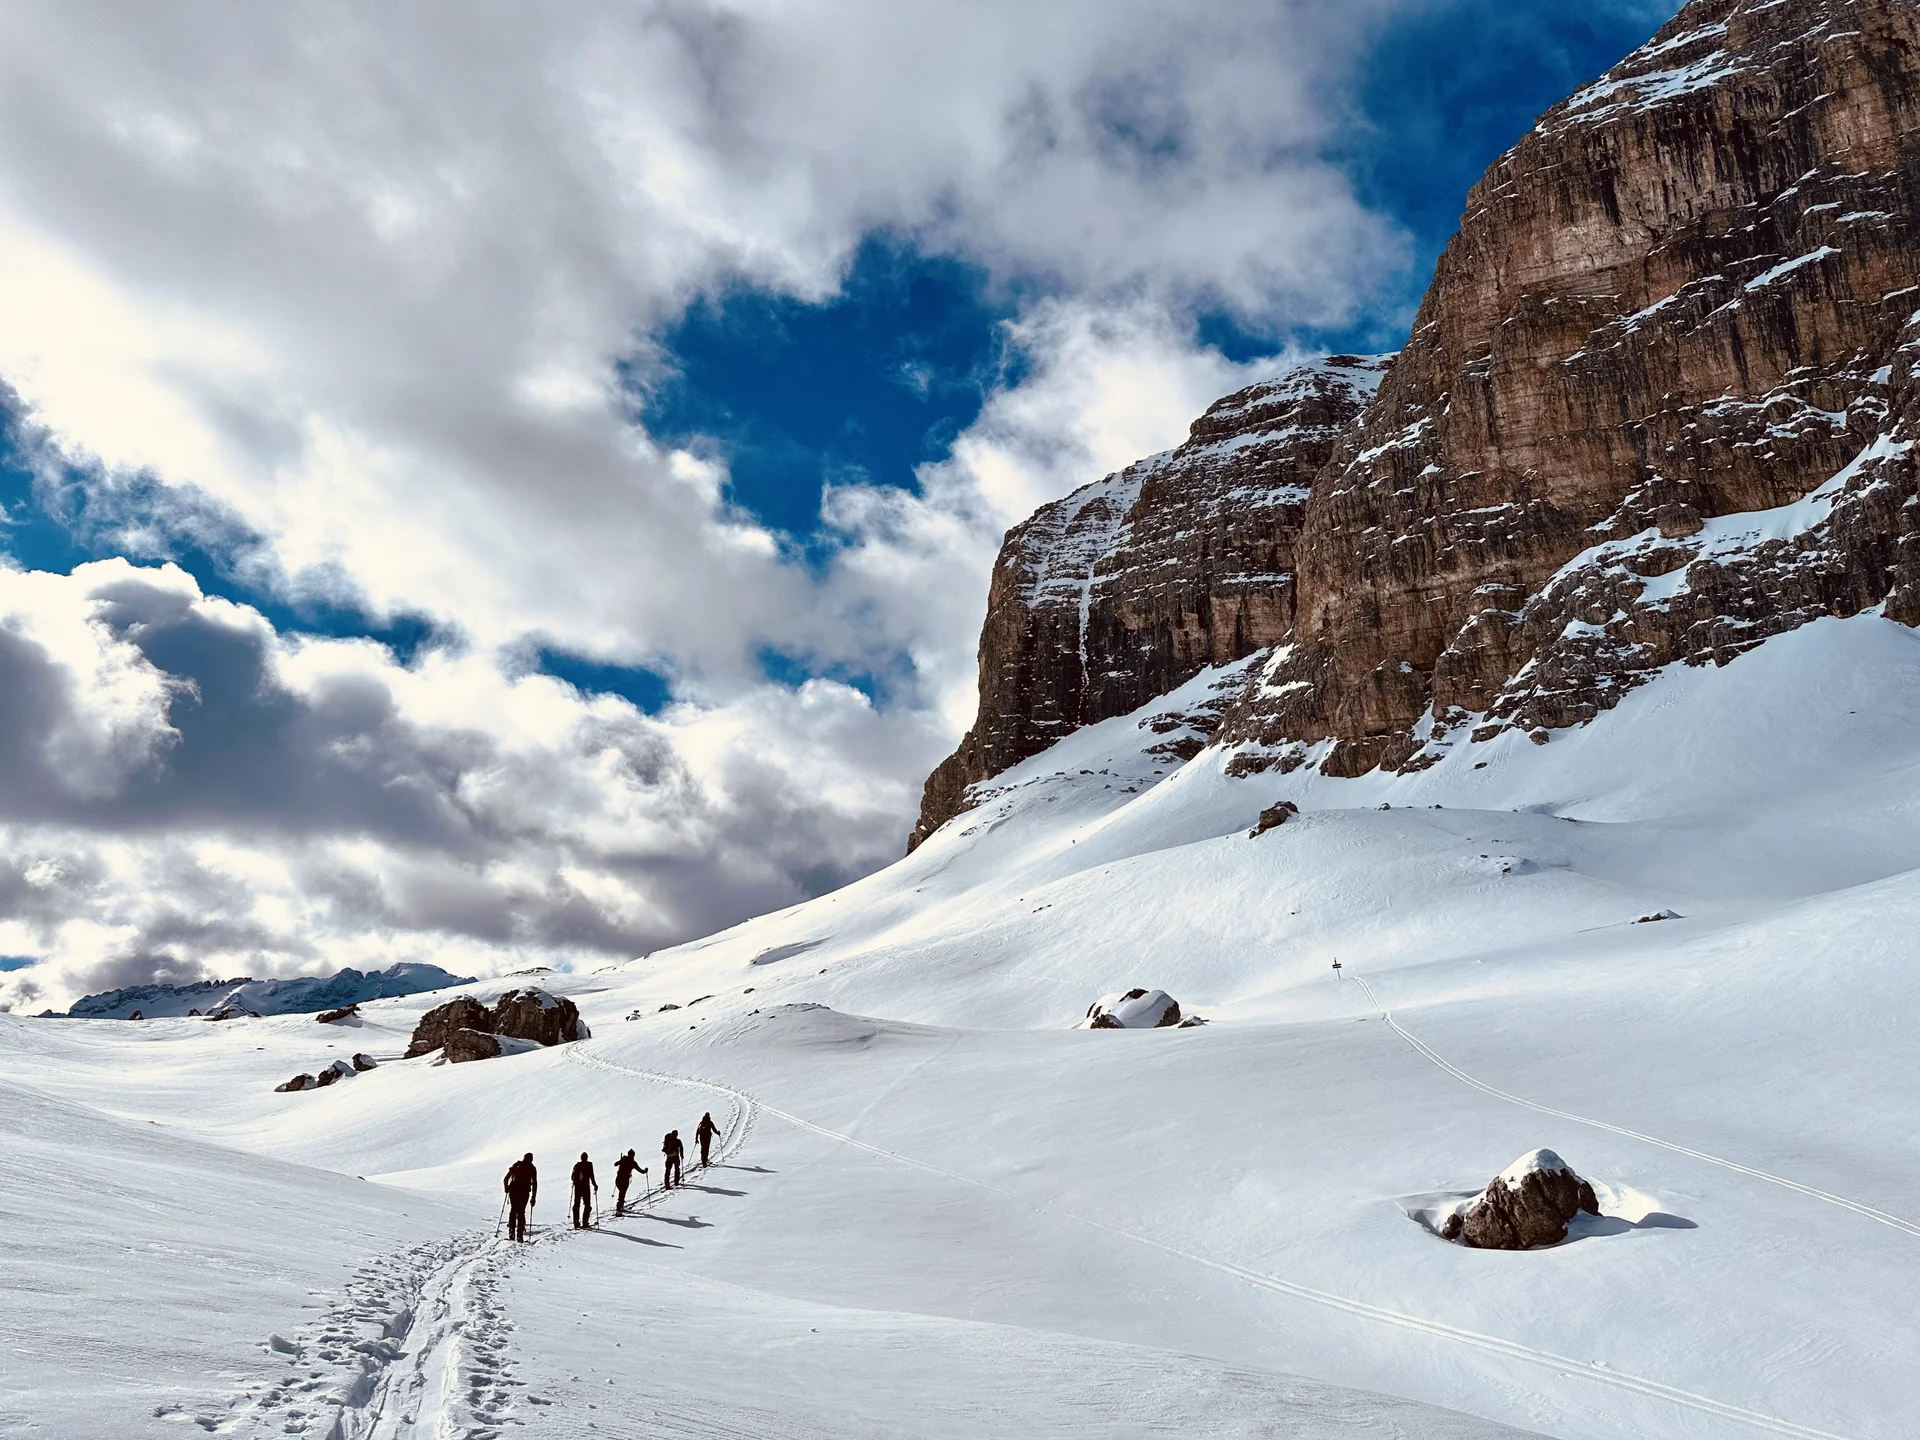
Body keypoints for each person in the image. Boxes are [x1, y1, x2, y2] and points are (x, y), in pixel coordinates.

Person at [503, 1152, 537, 1243]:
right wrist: (533, 1197)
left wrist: (506, 1188)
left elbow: (506, 1178)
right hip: (524, 1192)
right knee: (521, 1212)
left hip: (513, 1191)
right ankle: (519, 1234)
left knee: (513, 1210)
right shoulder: (532, 1168)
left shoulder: (517, 1165)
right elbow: (534, 1183)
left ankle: (511, 1232)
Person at [570, 1152, 598, 1229]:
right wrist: (595, 1185)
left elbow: (572, 1177)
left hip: (577, 1188)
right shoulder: (589, 1165)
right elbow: (592, 1175)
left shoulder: (577, 1165)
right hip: (585, 1187)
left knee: (576, 1205)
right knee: (587, 1205)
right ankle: (585, 1222)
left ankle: (576, 1223)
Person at [613, 1148, 644, 1214]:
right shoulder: (633, 1163)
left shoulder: (624, 1159)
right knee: (622, 1194)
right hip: (625, 1180)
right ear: (633, 1155)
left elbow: (615, 1164)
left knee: (621, 1193)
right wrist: (645, 1171)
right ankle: (619, 1209)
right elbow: (640, 1171)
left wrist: (620, 1161)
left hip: (618, 1179)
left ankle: (620, 1207)